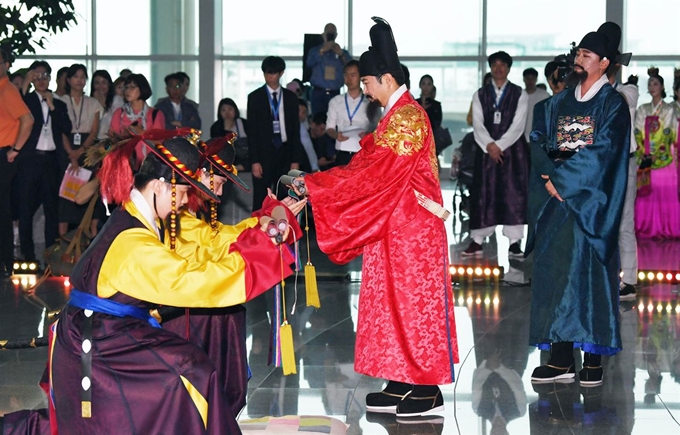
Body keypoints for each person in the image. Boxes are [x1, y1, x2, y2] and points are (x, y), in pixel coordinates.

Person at [40, 131, 302, 433]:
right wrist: (266, 248)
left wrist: (263, 234)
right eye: (181, 192)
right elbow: (195, 281)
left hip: (110, 332)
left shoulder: (138, 220)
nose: (184, 202)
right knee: (194, 372)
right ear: (160, 186)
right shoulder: (135, 243)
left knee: (194, 363)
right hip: (97, 342)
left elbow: (205, 248)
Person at [291, 17, 458, 418]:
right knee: (390, 305)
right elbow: (366, 162)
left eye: (365, 82)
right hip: (393, 228)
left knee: (414, 306)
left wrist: (317, 187)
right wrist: (317, 182)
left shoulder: (408, 118)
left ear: (384, 78)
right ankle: (400, 378)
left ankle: (426, 385)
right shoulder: (394, 115)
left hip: (413, 231)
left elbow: (374, 173)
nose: (363, 88)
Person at [162, 135, 306, 417]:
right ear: (202, 174)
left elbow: (217, 238)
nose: (224, 183)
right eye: (222, 177)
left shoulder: (185, 212)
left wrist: (264, 220)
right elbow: (217, 243)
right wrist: (264, 224)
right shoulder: (177, 215)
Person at [526, 22, 630, 386]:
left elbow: (604, 153)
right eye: (578, 54)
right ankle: (559, 357)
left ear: (604, 63)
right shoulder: (556, 103)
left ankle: (593, 357)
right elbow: (538, 140)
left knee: (588, 277)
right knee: (555, 274)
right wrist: (548, 177)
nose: (578, 60)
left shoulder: (612, 105)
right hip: (555, 203)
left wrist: (563, 181)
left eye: (586, 55)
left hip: (590, 205)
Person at [463, 51, 529, 257]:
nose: (499, 68)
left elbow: (519, 126)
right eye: (495, 65)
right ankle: (477, 240)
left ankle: (515, 242)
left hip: (513, 153)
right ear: (490, 68)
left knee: (513, 194)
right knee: (484, 193)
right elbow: (478, 124)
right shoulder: (480, 95)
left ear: (509, 68)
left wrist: (499, 145)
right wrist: (490, 146)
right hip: (486, 152)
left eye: (503, 65)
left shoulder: (520, 94)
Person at [17, 61, 72, 261]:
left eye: (45, 75)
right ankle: (28, 255)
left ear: (50, 78)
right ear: (32, 79)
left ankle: (50, 256)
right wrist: (25, 84)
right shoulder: (26, 100)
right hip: (30, 160)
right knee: (26, 209)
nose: (41, 80)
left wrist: (52, 106)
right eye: (37, 76)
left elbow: (66, 127)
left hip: (51, 162)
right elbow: (17, 114)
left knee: (52, 210)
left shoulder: (59, 104)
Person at [246, 56, 305, 211]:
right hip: (264, 152)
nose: (269, 76)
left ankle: (287, 231)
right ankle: (258, 232)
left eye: (273, 73)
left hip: (285, 151)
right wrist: (254, 161)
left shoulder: (291, 98)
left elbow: (295, 132)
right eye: (266, 73)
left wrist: (295, 159)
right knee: (261, 196)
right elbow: (251, 132)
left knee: (286, 196)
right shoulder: (255, 97)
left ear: (281, 73)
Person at [605, 47, 639, 300]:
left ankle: (628, 280)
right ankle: (602, 276)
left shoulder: (629, 90)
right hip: (601, 164)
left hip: (624, 162)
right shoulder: (588, 93)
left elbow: (617, 102)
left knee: (624, 224)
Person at [57, 64, 103, 236]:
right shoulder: (60, 101)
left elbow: (94, 130)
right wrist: (71, 154)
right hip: (65, 148)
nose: (80, 80)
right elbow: (60, 130)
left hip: (88, 150)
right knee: (65, 195)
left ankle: (89, 236)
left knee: (88, 193)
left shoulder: (93, 103)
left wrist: (81, 151)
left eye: (83, 77)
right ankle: (62, 240)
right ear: (68, 80)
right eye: (76, 77)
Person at [0, 47, 34, 277]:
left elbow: (28, 119)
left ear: (7, 64)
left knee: (2, 210)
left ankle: (4, 262)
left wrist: (15, 150)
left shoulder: (7, 90)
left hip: (4, 153)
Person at [633, 71, 679, 239]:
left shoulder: (669, 109)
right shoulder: (642, 109)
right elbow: (637, 132)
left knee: (664, 194)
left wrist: (656, 153)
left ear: (662, 87)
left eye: (655, 84)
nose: (652, 87)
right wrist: (643, 151)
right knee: (646, 192)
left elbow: (668, 133)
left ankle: (667, 228)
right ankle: (645, 226)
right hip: (645, 157)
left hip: (664, 156)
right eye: (650, 84)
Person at [109, 73, 166, 168]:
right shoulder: (120, 113)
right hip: (124, 164)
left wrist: (141, 133)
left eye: (133, 87)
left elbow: (159, 142)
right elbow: (112, 139)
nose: (128, 90)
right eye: (126, 87)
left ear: (142, 89)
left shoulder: (155, 114)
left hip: (149, 165)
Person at [326, 60, 375, 166]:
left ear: (361, 77)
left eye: (353, 75)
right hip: (342, 151)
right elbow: (329, 128)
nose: (349, 79)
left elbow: (378, 127)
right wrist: (336, 135)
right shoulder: (335, 101)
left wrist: (369, 134)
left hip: (363, 151)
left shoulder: (370, 101)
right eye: (346, 75)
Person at [306, 23, 351, 115]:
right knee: (318, 122)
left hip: (335, 93)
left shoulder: (342, 52)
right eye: (328, 33)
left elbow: (351, 67)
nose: (330, 36)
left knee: (335, 122)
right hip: (318, 93)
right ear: (324, 35)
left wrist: (341, 54)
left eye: (332, 34)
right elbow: (309, 63)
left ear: (336, 35)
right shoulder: (315, 51)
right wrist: (322, 50)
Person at [210, 97, 248, 171]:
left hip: (245, 156)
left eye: (230, 109)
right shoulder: (216, 127)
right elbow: (218, 147)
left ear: (235, 110)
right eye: (223, 110)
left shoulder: (244, 123)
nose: (227, 113)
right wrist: (226, 130)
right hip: (228, 159)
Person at [90, 69, 124, 139]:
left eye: (104, 83)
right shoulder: (89, 101)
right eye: (97, 83)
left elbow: (111, 120)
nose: (100, 86)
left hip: (110, 140)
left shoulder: (117, 100)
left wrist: (102, 103)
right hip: (92, 141)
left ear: (109, 84)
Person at [522, 67, 550, 143]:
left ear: (536, 79)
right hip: (521, 137)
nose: (530, 81)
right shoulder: (519, 95)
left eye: (533, 78)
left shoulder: (544, 95)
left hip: (539, 137)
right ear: (523, 79)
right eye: (528, 78)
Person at [298, 99, 319, 173]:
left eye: (305, 112)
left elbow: (309, 147)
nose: (304, 115)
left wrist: (314, 167)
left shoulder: (301, 126)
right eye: (302, 112)